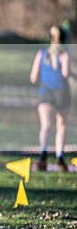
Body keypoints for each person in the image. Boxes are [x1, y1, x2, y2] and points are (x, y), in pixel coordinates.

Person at [30, 26, 72, 171]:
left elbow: (33, 77)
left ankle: (43, 153)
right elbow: (65, 73)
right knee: (61, 124)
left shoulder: (41, 54)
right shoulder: (64, 55)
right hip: (61, 92)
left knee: (45, 126)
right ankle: (60, 155)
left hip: (46, 92)